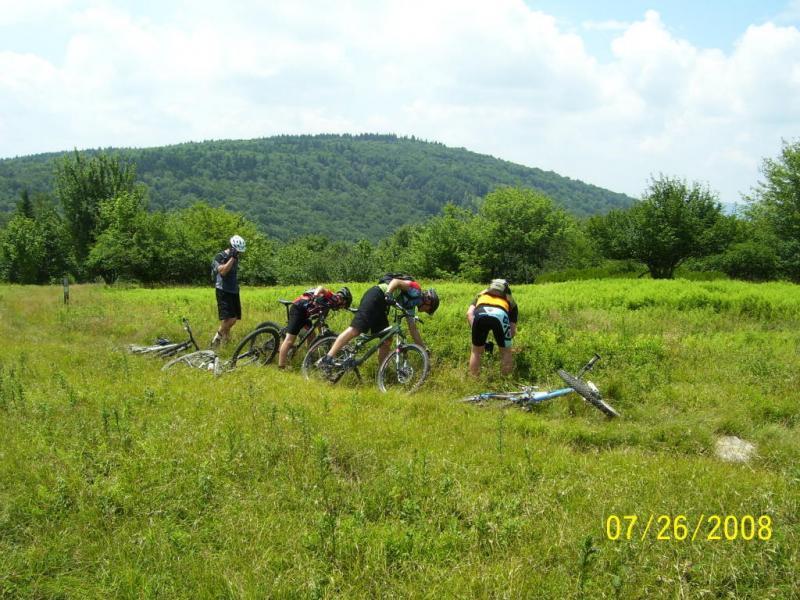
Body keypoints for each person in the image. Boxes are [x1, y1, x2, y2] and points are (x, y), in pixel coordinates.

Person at [317, 276, 439, 371]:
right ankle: (327, 359)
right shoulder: (415, 290)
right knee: (356, 329)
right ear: (428, 300)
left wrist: (424, 349)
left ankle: (382, 372)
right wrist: (389, 294)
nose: (426, 311)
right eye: (429, 309)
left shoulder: (411, 306)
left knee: (387, 340)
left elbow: (413, 330)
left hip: (382, 306)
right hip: (376, 295)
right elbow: (396, 282)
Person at [277, 286, 353, 368]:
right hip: (298, 308)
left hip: (305, 314)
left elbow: (320, 322)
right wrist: (315, 296)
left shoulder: (328, 305)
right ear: (343, 300)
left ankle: (308, 360)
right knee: (289, 340)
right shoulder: (332, 297)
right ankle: (281, 367)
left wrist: (323, 335)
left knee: (312, 336)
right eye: (344, 306)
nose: (341, 308)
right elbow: (321, 288)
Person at [467, 278, 518, 377]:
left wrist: (476, 332)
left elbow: (469, 314)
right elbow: (511, 332)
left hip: (480, 313)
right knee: (505, 352)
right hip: (501, 314)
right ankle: (505, 381)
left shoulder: (481, 295)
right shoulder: (511, 302)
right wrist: (504, 340)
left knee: (476, 352)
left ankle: (474, 381)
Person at [211, 235, 246, 349]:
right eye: (238, 251)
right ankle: (216, 339)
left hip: (234, 290)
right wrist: (231, 258)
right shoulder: (220, 256)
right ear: (232, 248)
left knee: (232, 318)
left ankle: (225, 343)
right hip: (223, 290)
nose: (239, 254)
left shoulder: (236, 257)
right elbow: (223, 272)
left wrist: (235, 257)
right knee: (230, 319)